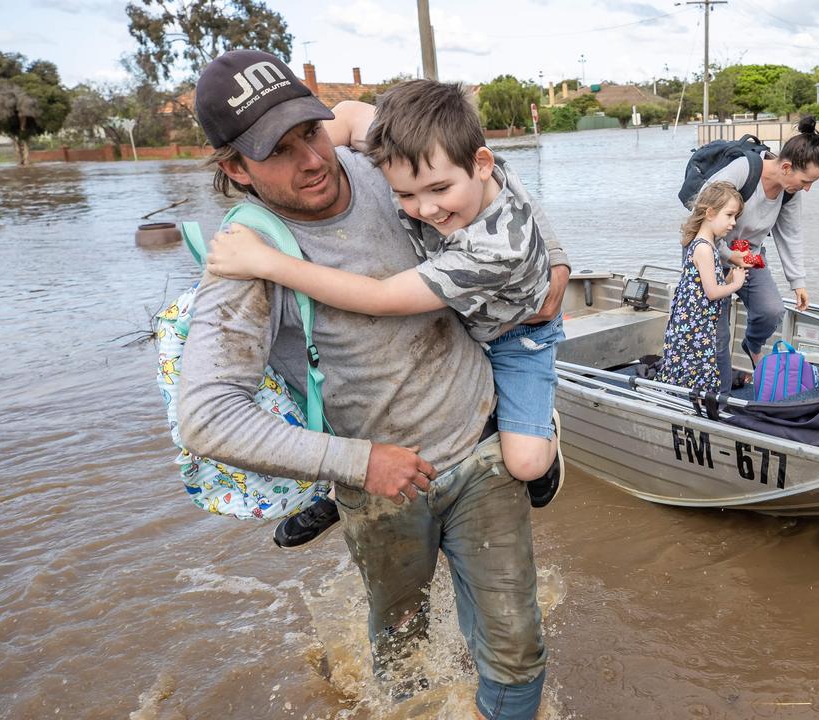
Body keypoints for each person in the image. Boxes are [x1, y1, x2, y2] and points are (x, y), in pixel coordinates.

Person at [179, 50, 564, 719]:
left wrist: (554, 265)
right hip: (384, 486)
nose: (313, 160)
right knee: (401, 645)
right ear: (235, 168)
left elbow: (493, 181)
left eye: (311, 131)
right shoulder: (246, 262)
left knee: (517, 644)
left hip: (481, 445)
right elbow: (206, 417)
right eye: (279, 150)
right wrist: (357, 464)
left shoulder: (392, 167)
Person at [207, 83, 563, 492]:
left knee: (527, 463)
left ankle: (543, 427)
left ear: (482, 163)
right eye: (405, 193)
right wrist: (303, 168)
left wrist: (268, 262)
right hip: (471, 311)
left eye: (440, 189)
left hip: (517, 334)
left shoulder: (496, 248)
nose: (426, 210)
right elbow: (349, 114)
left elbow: (382, 298)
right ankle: (325, 496)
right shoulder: (425, 144)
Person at [702, 115, 819, 391]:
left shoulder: (790, 192)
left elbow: (791, 235)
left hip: (749, 256)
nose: (807, 188)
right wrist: (725, 254)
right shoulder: (742, 171)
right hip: (711, 254)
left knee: (771, 310)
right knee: (719, 335)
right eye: (806, 181)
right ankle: (721, 399)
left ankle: (752, 344)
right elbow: (702, 214)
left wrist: (799, 282)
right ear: (786, 166)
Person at [654, 181, 747, 392]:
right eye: (729, 215)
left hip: (695, 323)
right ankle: (700, 407)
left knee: (694, 367)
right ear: (711, 213)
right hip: (696, 327)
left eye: (735, 217)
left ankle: (696, 403)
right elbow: (712, 292)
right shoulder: (704, 248)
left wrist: (730, 277)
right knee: (698, 368)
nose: (733, 223)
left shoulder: (704, 244)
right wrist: (737, 285)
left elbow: (706, 285)